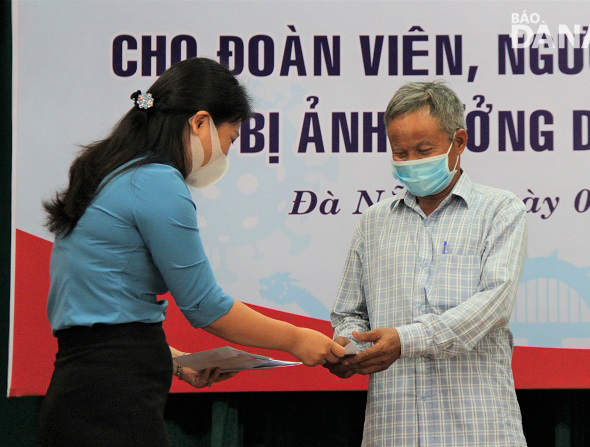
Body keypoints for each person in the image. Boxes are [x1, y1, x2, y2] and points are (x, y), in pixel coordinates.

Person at [39, 57, 345, 447]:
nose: (227, 154)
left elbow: (99, 315)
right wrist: (299, 339)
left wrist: (175, 362)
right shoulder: (157, 182)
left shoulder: (111, 172)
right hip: (113, 402)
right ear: (200, 123)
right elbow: (206, 307)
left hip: (83, 388)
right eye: (231, 139)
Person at [325, 81, 528, 446]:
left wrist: (406, 340)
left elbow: (493, 305)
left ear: (459, 143)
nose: (411, 162)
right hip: (394, 428)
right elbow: (348, 312)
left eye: (424, 150)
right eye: (400, 153)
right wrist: (350, 347)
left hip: (477, 428)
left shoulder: (500, 210)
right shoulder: (374, 222)